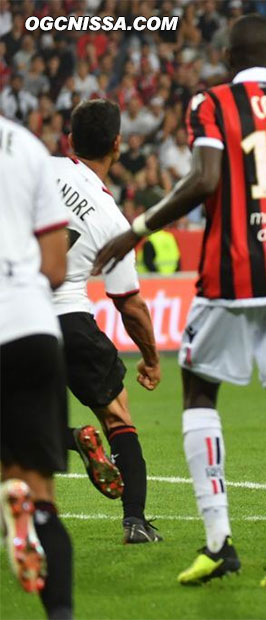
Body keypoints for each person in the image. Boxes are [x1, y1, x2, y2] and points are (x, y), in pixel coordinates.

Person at [92, 14, 266, 590]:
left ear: (229, 56)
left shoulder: (211, 104)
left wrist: (135, 229)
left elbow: (207, 179)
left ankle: (219, 543)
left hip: (231, 277)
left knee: (199, 389)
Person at [51, 99, 163, 544]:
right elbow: (129, 304)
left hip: (15, 314)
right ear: (117, 145)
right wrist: (151, 359)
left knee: (15, 418)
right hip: (71, 317)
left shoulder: (37, 169)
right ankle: (135, 521)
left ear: (70, 140)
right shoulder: (114, 221)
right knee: (118, 418)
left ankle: (69, 438)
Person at [0, 115, 74, 618]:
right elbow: (56, 265)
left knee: (9, 478)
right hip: (29, 325)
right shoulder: (25, 146)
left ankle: (13, 502)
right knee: (41, 491)